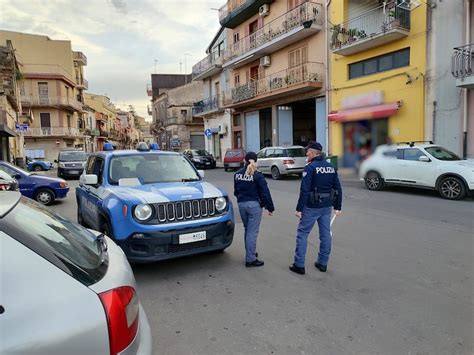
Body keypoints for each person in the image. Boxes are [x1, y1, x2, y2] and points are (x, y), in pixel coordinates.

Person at [289, 142, 342, 275]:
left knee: (302, 234)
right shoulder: (330, 167)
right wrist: (338, 206)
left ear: (313, 153)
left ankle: (299, 265)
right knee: (325, 235)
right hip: (326, 206)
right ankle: (322, 263)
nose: (306, 154)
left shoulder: (310, 168)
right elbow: (338, 188)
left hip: (312, 206)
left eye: (307, 152)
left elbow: (305, 190)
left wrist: (299, 209)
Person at [234, 151, 274, 267]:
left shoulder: (237, 174)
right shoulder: (257, 175)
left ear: (244, 161)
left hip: (241, 205)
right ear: (256, 161)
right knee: (252, 232)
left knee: (247, 230)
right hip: (254, 206)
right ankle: (250, 259)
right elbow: (265, 193)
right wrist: (270, 207)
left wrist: (241, 199)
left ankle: (250, 253)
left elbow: (236, 191)